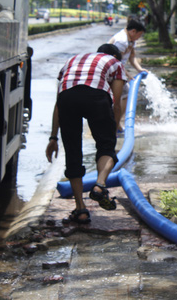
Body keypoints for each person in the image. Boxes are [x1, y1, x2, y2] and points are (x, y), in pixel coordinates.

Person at [45, 44, 127, 224]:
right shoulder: (115, 63)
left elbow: (58, 102)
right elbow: (117, 102)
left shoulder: (72, 60)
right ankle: (99, 186)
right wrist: (112, 130)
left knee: (73, 153)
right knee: (106, 147)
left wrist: (53, 137)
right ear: (114, 55)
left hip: (67, 99)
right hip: (96, 97)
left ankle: (81, 209)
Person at [108, 18, 147, 133]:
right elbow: (116, 61)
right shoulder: (122, 41)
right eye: (139, 35)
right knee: (123, 96)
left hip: (118, 70)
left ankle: (115, 123)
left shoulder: (130, 40)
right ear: (133, 31)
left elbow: (131, 57)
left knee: (122, 96)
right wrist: (129, 76)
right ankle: (114, 124)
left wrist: (140, 69)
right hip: (111, 70)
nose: (139, 38)